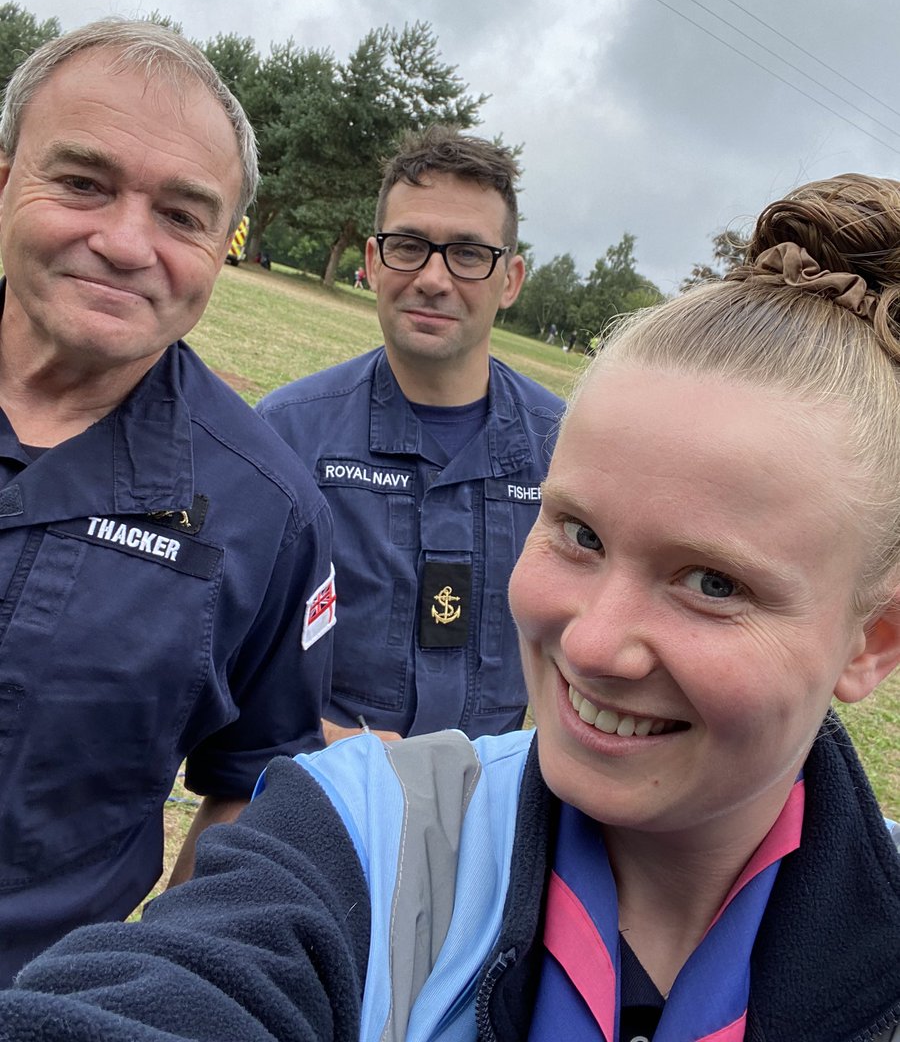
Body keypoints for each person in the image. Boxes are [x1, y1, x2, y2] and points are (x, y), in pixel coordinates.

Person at [2, 172, 899, 1040]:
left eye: (713, 583)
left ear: (876, 638)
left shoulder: (548, 433)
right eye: (579, 535)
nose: (591, 643)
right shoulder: (354, 832)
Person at [0, 20, 335, 985]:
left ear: (224, 245)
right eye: (83, 183)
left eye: (184, 214)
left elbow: (250, 783)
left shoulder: (270, 516)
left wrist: (137, 988)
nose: (124, 242)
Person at [258, 125, 563, 742]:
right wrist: (341, 749)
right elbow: (223, 655)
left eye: (470, 253)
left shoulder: (568, 453)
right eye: (409, 245)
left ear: (511, 280)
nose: (433, 277)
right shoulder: (285, 437)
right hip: (318, 794)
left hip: (496, 809)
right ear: (373, 262)